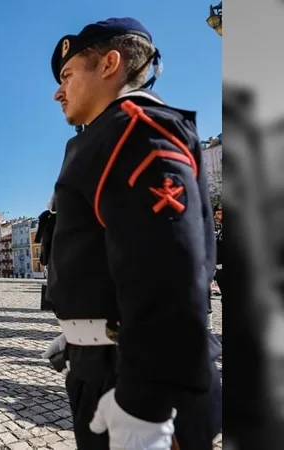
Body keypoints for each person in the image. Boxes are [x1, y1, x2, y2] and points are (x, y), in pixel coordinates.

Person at [43, 18, 221, 449]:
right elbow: (113, 252)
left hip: (134, 378)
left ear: (109, 64)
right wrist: (80, 328)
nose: (58, 91)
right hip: (102, 362)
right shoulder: (112, 132)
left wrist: (145, 407)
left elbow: (168, 271)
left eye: (67, 75)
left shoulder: (136, 129)